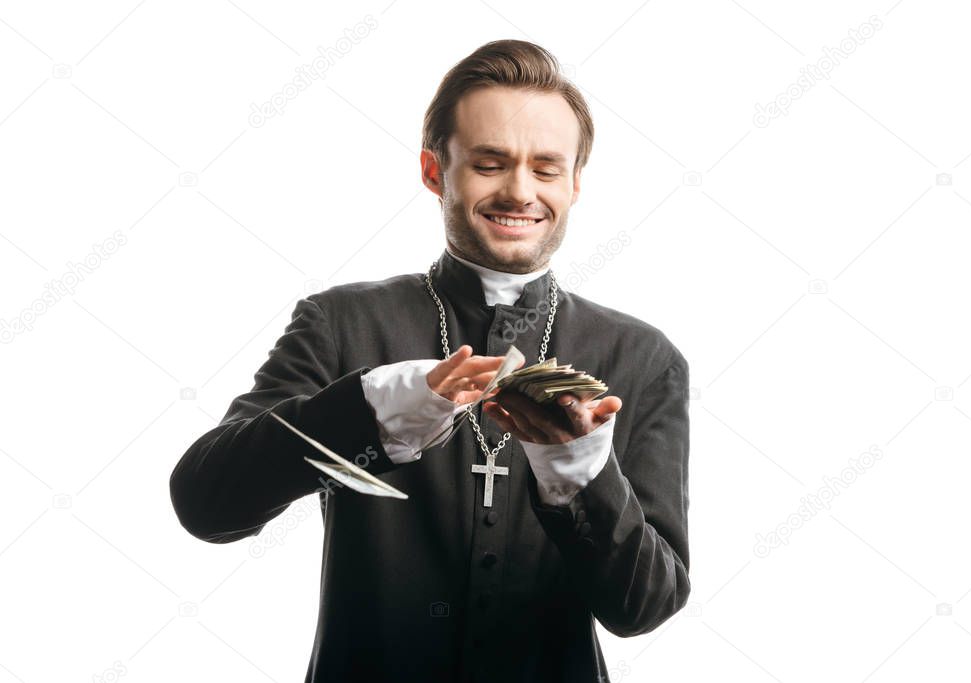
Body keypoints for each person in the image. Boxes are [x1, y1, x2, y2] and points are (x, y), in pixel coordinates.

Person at [169, 38, 691, 683]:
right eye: (490, 163)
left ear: (576, 182)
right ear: (434, 170)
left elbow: (645, 606)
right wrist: (370, 411)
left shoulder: (643, 357)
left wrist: (581, 475)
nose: (520, 191)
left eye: (547, 168)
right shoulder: (341, 323)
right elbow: (207, 505)